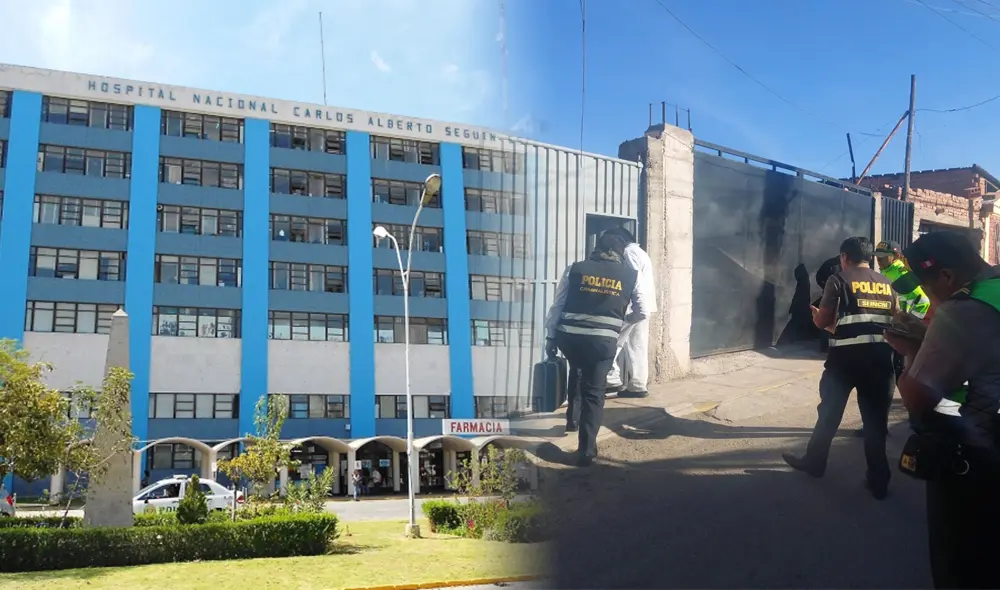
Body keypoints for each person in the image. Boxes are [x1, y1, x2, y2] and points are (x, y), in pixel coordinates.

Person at [884, 230, 1000, 589]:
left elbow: (918, 397)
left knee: (962, 564)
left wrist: (908, 351)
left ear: (947, 276)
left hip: (976, 455)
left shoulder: (966, 308)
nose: (931, 297)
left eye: (929, 285)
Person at [782, 236, 897, 500]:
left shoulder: (839, 280)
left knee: (830, 414)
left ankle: (815, 463)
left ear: (845, 257)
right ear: (869, 257)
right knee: (875, 422)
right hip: (880, 359)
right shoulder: (888, 283)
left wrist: (816, 317)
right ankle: (879, 481)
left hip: (845, 360)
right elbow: (894, 320)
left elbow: (824, 322)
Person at [544, 232, 649, 466]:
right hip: (602, 343)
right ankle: (586, 450)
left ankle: (572, 420)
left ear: (596, 249)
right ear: (620, 254)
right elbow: (643, 310)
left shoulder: (575, 269)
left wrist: (551, 337)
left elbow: (557, 305)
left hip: (570, 338)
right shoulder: (632, 275)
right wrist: (621, 322)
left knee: (577, 371)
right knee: (594, 391)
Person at [603, 227, 657, 398]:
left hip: (632, 308)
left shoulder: (628, 252)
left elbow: (633, 278)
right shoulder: (640, 252)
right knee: (637, 347)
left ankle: (611, 380)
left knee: (613, 342)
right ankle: (637, 386)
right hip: (643, 307)